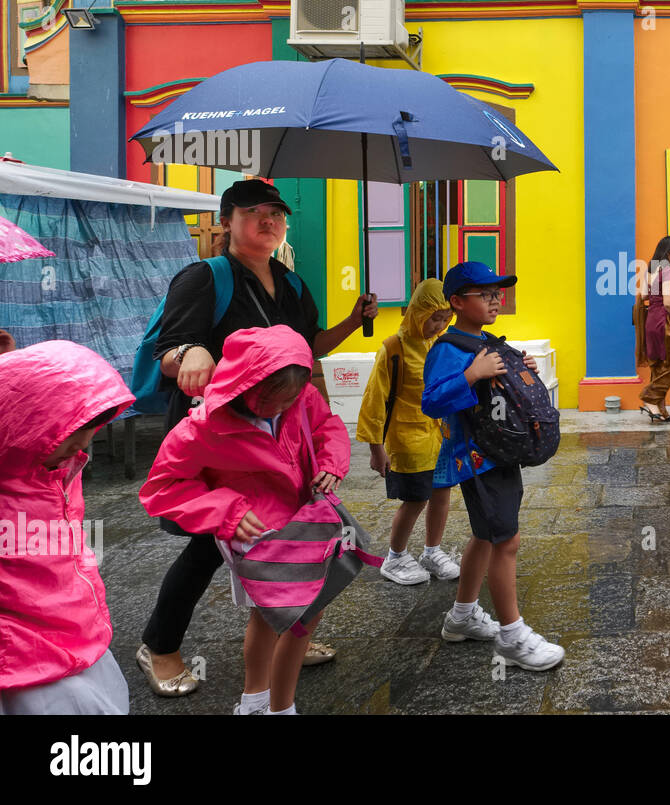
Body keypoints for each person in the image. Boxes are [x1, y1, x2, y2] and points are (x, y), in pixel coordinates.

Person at [137, 179, 377, 695]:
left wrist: (354, 322)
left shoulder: (289, 283)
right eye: (255, 213)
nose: (269, 221)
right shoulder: (205, 278)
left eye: (277, 214)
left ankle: (286, 627)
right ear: (228, 222)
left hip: (283, 434)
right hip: (218, 439)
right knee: (207, 546)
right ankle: (160, 647)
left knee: (290, 540)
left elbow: (310, 347)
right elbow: (168, 352)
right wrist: (191, 353)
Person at [139, 325, 352, 714]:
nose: (281, 407)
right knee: (271, 614)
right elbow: (162, 488)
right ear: (244, 384)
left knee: (308, 610)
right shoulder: (203, 427)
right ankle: (255, 699)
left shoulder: (299, 396)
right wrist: (226, 511)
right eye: (271, 400)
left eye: (290, 399)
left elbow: (325, 426)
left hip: (306, 517)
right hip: (258, 531)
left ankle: (279, 703)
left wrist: (330, 463)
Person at [422, 261, 565, 672]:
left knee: (486, 537)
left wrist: (521, 372)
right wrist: (471, 374)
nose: (494, 300)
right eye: (483, 294)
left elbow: (498, 387)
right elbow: (430, 401)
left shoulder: (483, 340)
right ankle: (512, 636)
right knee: (507, 542)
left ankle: (462, 617)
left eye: (497, 293)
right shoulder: (449, 349)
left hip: (496, 453)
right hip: (477, 459)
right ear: (456, 302)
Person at [0, 341, 136, 714]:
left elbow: (71, 542)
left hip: (73, 629)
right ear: (18, 422)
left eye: (89, 431)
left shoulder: (59, 469)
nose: (81, 445)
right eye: (65, 436)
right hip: (21, 657)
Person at [356, 278, 461, 584]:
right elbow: (374, 400)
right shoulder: (393, 348)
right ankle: (395, 556)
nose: (439, 325)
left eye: (445, 319)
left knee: (442, 493)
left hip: (439, 435)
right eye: (434, 319)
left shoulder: (439, 345)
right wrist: (377, 448)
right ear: (417, 313)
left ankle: (432, 551)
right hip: (407, 438)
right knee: (415, 499)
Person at [635, 236, 670, 422]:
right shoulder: (667, 270)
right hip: (663, 323)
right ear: (668, 253)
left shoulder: (650, 270)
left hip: (651, 321)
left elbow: (642, 296)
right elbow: (667, 301)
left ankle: (660, 409)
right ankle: (650, 398)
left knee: (658, 366)